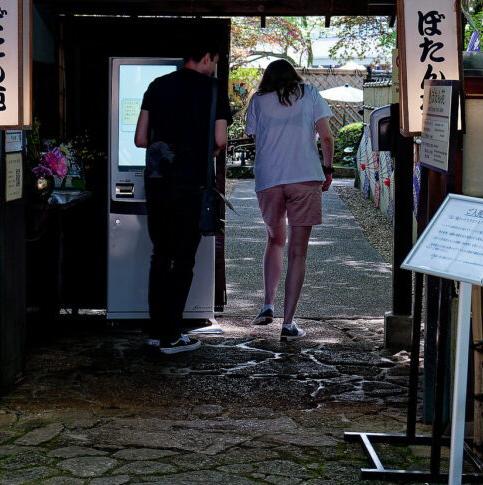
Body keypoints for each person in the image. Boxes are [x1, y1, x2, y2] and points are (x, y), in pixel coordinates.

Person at [134, 48, 231, 354]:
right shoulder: (213, 89)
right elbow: (220, 139)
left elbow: (140, 138)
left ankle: (156, 332)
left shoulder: (157, 85)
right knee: (184, 258)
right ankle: (171, 335)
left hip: (157, 182)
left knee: (161, 255)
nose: (213, 67)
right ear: (207, 57)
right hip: (191, 184)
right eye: (214, 61)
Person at [244, 60, 334, 340]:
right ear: (294, 75)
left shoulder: (258, 100)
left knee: (274, 240)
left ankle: (267, 305)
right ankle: (288, 323)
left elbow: (257, 139)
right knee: (298, 252)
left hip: (269, 178)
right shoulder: (311, 93)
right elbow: (326, 137)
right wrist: (328, 169)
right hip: (304, 176)